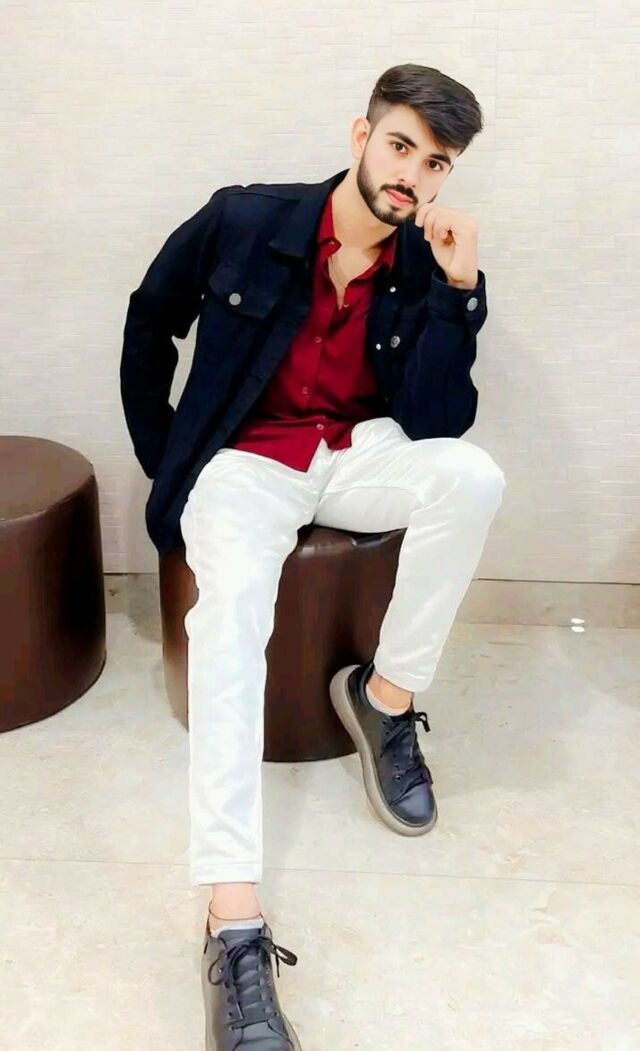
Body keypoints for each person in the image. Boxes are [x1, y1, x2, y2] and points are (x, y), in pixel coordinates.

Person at [121, 62, 506, 1051]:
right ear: (361, 136)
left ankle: (384, 698)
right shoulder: (246, 218)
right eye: (401, 145)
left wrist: (458, 295)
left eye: (437, 162)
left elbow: (438, 421)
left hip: (351, 452)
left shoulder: (428, 261)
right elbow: (150, 317)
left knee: (472, 478)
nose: (412, 174)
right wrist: (170, 458)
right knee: (229, 623)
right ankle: (232, 920)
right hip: (245, 460)